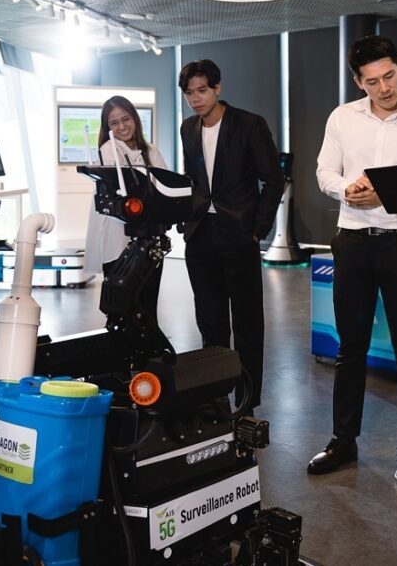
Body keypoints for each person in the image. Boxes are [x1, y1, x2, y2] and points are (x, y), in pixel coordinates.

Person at [310, 35, 397, 487]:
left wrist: (384, 194)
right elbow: (324, 171)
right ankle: (343, 441)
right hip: (352, 243)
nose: (384, 88)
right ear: (358, 81)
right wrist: (347, 188)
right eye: (372, 81)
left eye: (389, 76)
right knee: (350, 348)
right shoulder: (342, 117)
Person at [178, 59, 284, 412]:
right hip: (200, 237)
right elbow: (193, 180)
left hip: (239, 235)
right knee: (210, 325)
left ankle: (247, 405)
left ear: (218, 87)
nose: (196, 98)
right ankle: (216, 402)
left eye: (202, 90)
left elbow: (273, 181)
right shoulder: (188, 128)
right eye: (189, 93)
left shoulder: (250, 124)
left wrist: (257, 231)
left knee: (248, 325)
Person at [83, 96, 168, 320]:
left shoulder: (150, 150)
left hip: (150, 236)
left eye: (126, 119)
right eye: (114, 123)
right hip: (118, 238)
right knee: (122, 306)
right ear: (107, 127)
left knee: (148, 303)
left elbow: (165, 182)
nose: (122, 126)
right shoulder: (109, 149)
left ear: (135, 118)